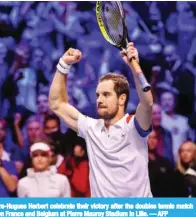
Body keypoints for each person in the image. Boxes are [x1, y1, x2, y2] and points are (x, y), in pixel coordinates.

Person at [49, 43, 153, 197]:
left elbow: (147, 102)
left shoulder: (134, 126)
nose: (99, 100)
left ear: (122, 99)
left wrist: (134, 65)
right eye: (98, 95)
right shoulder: (91, 128)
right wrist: (63, 65)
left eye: (106, 94)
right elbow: (57, 104)